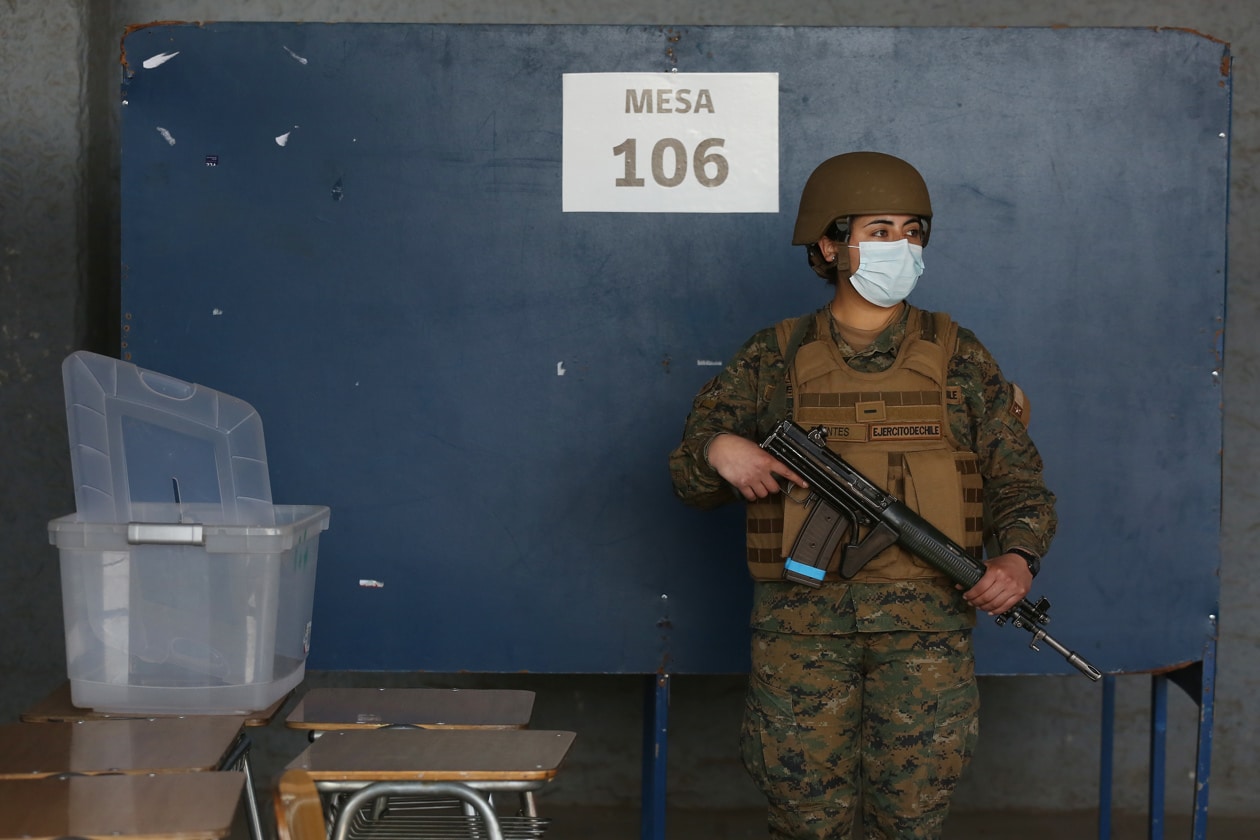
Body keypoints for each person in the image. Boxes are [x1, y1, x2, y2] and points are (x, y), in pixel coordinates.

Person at [667, 151, 1057, 839]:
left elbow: (1019, 481)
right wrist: (717, 450)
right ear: (830, 243)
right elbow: (688, 479)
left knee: (912, 816)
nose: (900, 246)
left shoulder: (958, 355)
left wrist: (1018, 559)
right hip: (801, 633)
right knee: (804, 815)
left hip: (926, 633)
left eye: (912, 231)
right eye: (880, 231)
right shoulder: (775, 356)